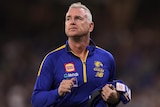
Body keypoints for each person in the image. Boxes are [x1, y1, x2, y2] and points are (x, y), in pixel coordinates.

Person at [31, 2, 131, 107]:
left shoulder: (106, 58)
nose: (72, 22)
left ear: (90, 26)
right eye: (68, 19)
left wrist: (114, 97)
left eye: (78, 18)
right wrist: (58, 92)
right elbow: (36, 101)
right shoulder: (52, 59)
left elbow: (110, 94)